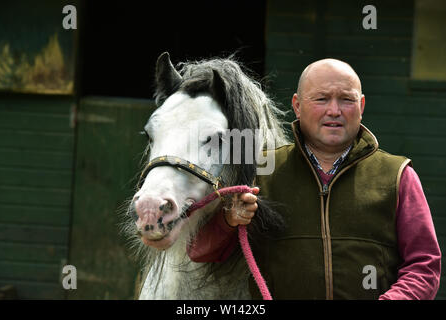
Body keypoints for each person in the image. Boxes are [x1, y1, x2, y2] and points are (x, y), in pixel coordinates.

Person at [186, 58, 442, 300]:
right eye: (321, 99)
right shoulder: (259, 169)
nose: (334, 110)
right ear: (297, 105)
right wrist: (228, 221)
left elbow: (424, 266)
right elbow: (199, 251)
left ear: (361, 106)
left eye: (346, 100)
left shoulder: (397, 175)